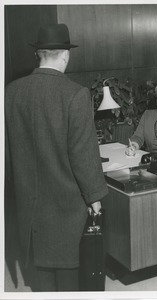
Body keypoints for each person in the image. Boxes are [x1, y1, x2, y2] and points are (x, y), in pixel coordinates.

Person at [5, 23, 108, 291]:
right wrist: (95, 198)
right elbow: (83, 155)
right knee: (69, 286)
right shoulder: (75, 94)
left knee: (40, 286)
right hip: (66, 218)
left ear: (38, 54)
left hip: (28, 217)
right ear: (65, 55)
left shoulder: (11, 93)